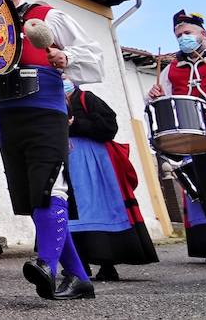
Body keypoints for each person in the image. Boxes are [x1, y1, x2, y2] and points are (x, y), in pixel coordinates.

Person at [0, 0, 104, 301]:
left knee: (50, 185)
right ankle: (79, 277)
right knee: (32, 195)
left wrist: (66, 58)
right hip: (4, 115)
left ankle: (48, 265)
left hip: (45, 110)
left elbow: (93, 54)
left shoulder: (46, 15)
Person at [147, 10, 206, 282]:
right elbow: (158, 108)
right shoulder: (171, 69)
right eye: (179, 35)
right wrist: (152, 97)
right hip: (201, 145)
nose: (183, 38)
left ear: (203, 34)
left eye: (188, 33)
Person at [65, 81, 157, 281]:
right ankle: (78, 263)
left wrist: (76, 123)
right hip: (67, 162)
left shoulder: (87, 98)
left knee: (101, 209)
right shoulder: (50, 100)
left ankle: (108, 264)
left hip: (94, 162)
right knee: (71, 212)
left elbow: (109, 126)